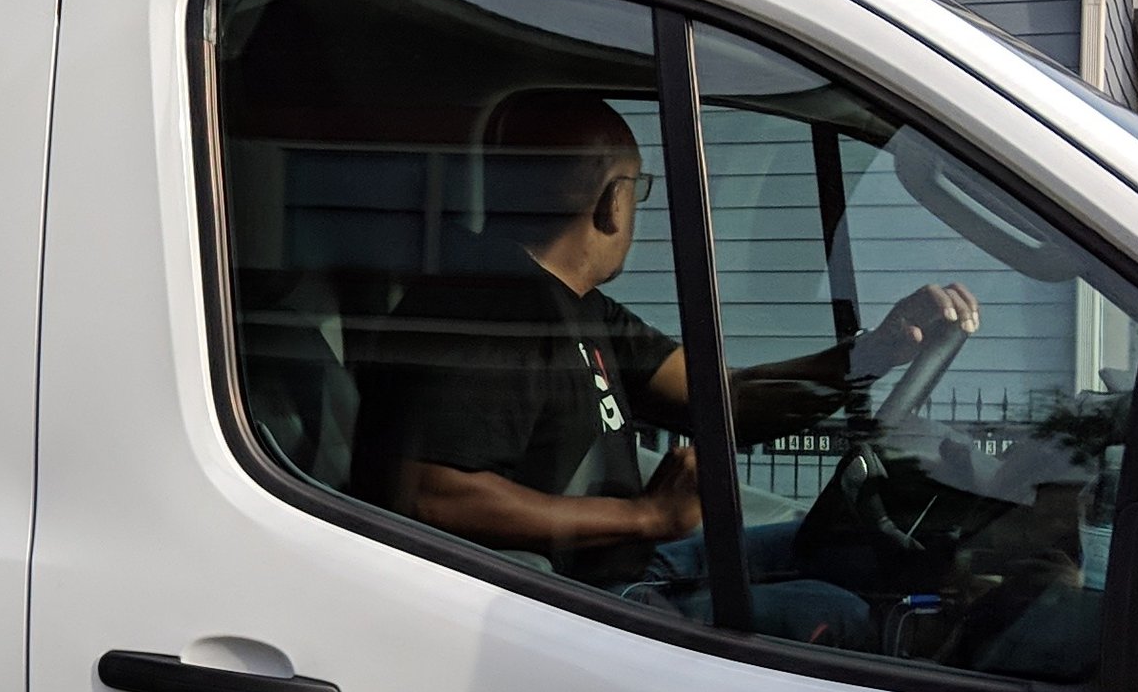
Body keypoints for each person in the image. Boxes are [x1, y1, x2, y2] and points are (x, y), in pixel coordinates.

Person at [362, 91, 976, 628]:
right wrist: (645, 516)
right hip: (573, 602)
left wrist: (873, 352)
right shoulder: (489, 313)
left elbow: (725, 400)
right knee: (836, 612)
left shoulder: (578, 307)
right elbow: (431, 496)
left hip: (621, 563)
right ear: (611, 202)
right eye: (639, 188)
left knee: (845, 552)